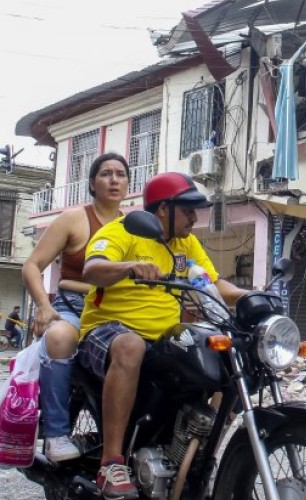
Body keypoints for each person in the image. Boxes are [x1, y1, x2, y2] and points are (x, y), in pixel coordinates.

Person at [76, 172, 248, 500]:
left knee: (227, 354)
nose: (195, 218)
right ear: (162, 211)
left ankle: (194, 454)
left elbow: (213, 283)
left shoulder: (187, 243)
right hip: (108, 331)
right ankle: (110, 463)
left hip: (163, 337)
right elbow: (92, 269)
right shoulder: (122, 230)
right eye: (187, 210)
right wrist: (129, 266)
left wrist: (251, 296)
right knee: (130, 345)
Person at [21, 152, 129, 462]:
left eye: (120, 174)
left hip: (118, 310)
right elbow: (32, 265)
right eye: (106, 174)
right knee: (59, 338)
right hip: (74, 306)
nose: (113, 179)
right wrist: (43, 306)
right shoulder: (74, 218)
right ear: (93, 184)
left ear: (127, 183)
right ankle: (56, 434)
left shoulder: (132, 225)